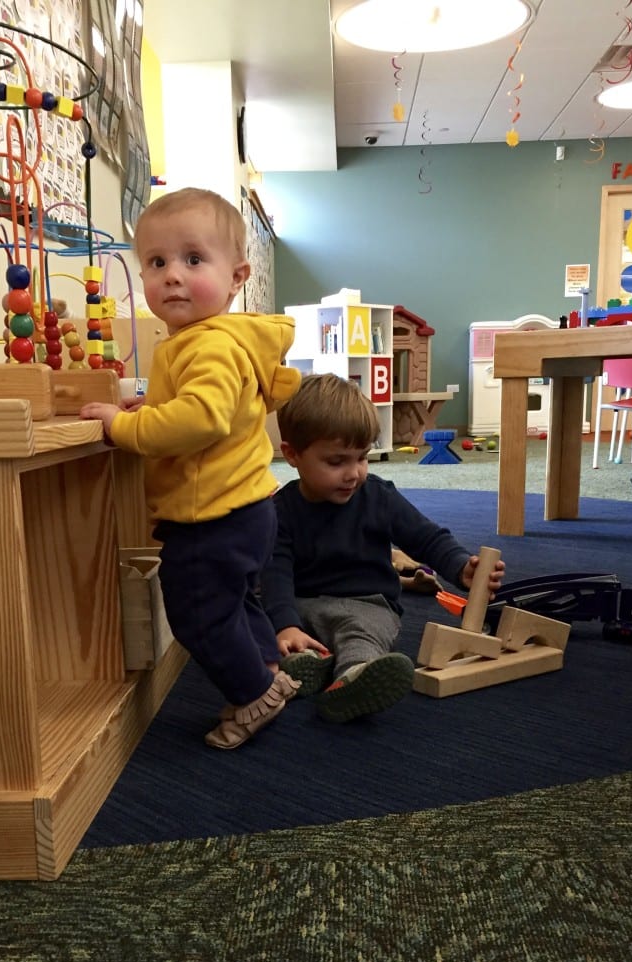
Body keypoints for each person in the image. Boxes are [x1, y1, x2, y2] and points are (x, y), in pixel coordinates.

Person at [80, 187, 301, 750]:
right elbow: (203, 411)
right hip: (244, 504)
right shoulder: (204, 341)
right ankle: (268, 670)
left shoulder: (209, 345)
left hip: (212, 515)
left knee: (199, 615)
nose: (172, 275)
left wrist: (122, 427)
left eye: (193, 259)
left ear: (237, 276)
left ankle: (255, 693)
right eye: (157, 263)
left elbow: (201, 419)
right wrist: (150, 410)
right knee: (238, 600)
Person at [260, 373, 506, 723]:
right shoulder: (279, 511)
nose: (354, 473)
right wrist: (285, 625)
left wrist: (459, 566)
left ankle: (353, 677)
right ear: (292, 455)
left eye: (361, 458)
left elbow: (426, 537)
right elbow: (275, 574)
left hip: (368, 602)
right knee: (269, 620)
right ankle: (305, 664)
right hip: (306, 604)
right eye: (337, 461)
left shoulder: (378, 496)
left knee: (360, 632)